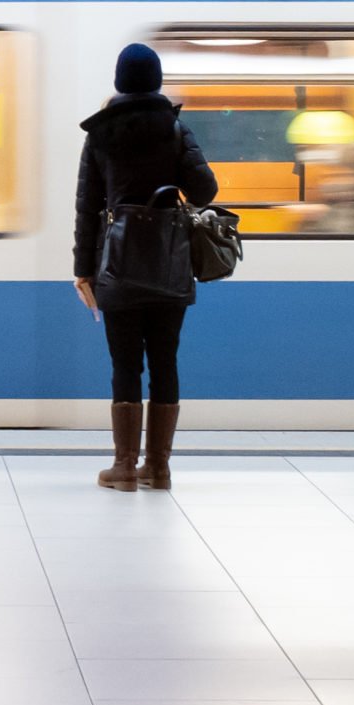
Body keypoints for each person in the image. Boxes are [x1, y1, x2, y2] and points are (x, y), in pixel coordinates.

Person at [73, 43, 219, 492]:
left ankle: (124, 466)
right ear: (156, 81)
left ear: (119, 82)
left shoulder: (100, 134)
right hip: (167, 264)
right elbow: (206, 191)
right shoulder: (176, 130)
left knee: (125, 364)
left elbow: (87, 207)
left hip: (115, 265)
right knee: (164, 362)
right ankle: (158, 467)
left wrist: (83, 271)